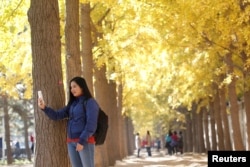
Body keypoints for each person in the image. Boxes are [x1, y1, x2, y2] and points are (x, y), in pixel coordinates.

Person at [38, 76, 99, 167]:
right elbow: (57, 115)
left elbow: (91, 125)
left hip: (84, 141)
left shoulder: (90, 102)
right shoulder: (72, 104)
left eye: (74, 86)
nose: (72, 89)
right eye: (71, 87)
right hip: (71, 142)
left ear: (82, 87)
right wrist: (44, 108)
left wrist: (82, 141)